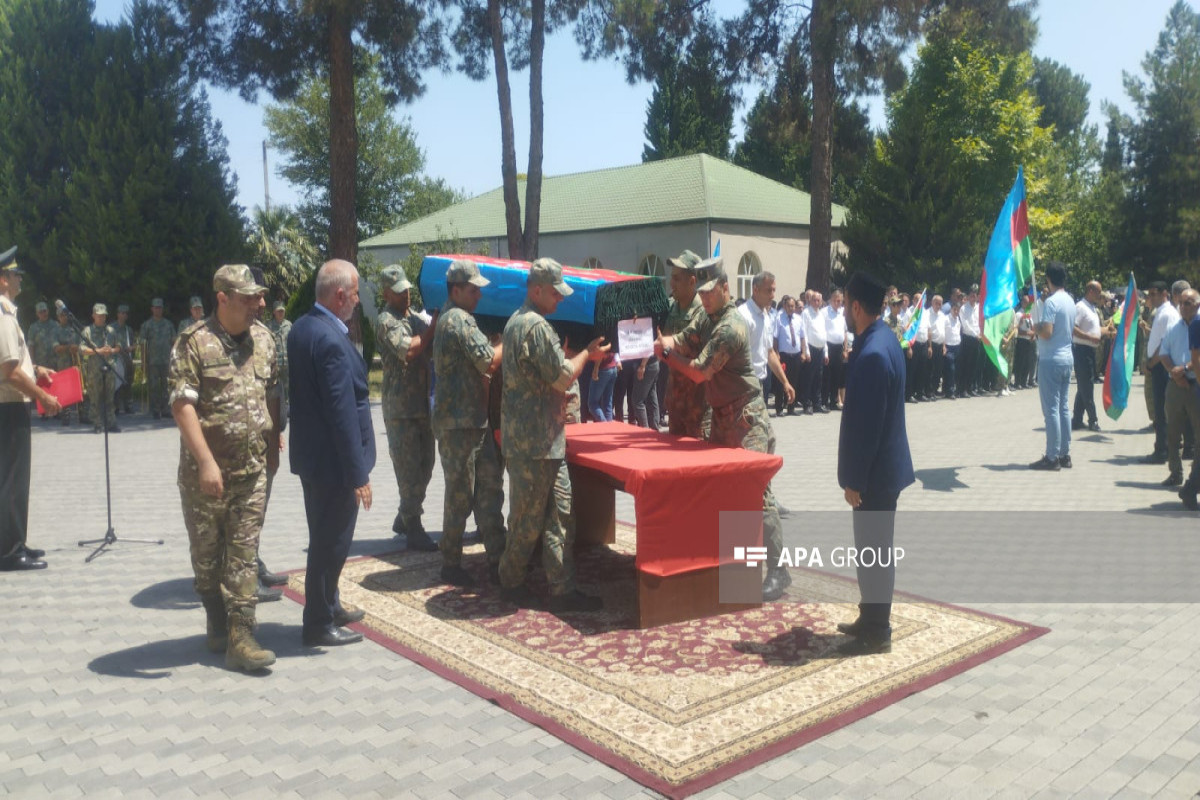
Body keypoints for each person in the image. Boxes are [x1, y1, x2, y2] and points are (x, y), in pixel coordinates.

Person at [656, 258, 794, 601]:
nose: (703, 299)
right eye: (700, 293)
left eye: (709, 293)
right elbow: (685, 337)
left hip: (747, 421)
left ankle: (779, 570)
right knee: (721, 490)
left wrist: (668, 357)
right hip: (722, 417)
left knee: (758, 495)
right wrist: (662, 341)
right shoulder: (709, 317)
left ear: (724, 288)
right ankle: (731, 563)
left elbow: (701, 371)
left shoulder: (730, 327)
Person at [169, 264, 280, 672]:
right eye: (250, 297)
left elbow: (272, 393)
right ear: (222, 298)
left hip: (251, 472)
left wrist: (274, 442)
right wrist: (205, 462)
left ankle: (241, 636)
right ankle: (215, 617)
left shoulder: (265, 341)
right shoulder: (194, 343)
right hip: (207, 476)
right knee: (207, 557)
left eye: (260, 296)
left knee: (243, 554)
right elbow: (182, 405)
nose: (260, 303)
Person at [498, 258, 608, 611]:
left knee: (560, 514)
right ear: (537, 290)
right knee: (528, 521)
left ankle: (562, 588)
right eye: (556, 293)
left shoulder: (516, 322)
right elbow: (561, 377)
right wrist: (587, 357)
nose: (560, 300)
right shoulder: (535, 327)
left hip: (542, 441)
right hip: (535, 444)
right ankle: (509, 580)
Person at [289, 259, 375, 648]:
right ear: (340, 295)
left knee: (324, 536)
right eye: (355, 293)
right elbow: (341, 412)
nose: (358, 301)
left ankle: (331, 603)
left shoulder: (304, 327)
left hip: (315, 459)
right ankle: (319, 622)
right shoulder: (329, 339)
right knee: (331, 542)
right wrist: (358, 474)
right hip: (335, 464)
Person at [835, 271, 914, 656]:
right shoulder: (884, 340)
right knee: (873, 549)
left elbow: (866, 429)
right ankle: (870, 616)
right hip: (885, 470)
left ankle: (877, 630)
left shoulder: (871, 354)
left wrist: (854, 481)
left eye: (846, 305)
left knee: (875, 552)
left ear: (855, 307)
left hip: (875, 475)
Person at [433, 259, 506, 586]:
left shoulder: (456, 318)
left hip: (472, 421)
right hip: (460, 426)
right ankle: (451, 562)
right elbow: (488, 360)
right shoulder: (458, 320)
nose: (478, 295)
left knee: (489, 489)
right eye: (473, 289)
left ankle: (497, 557)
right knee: (462, 495)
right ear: (456, 290)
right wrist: (507, 341)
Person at [0, 246, 60, 571]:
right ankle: (9, 553)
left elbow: (14, 362)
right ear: (3, 279)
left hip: (9, 404)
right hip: (8, 406)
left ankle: (15, 542)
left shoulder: (8, 313)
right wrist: (43, 396)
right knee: (12, 480)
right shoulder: (2, 314)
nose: (20, 277)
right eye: (15, 273)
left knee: (14, 479)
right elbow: (7, 371)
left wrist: (37, 370)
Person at [376, 264, 437, 550]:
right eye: (400, 291)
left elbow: (431, 343)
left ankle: (405, 514)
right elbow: (410, 350)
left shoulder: (413, 317)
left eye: (408, 289)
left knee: (426, 465)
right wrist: (432, 328)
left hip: (421, 405)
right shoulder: (386, 320)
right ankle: (413, 526)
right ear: (387, 293)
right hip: (400, 409)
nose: (406, 295)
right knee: (409, 470)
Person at [1031, 262, 1075, 471]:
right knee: (1063, 407)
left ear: (1048, 279)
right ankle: (1065, 453)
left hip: (1051, 359)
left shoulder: (1051, 302)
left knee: (1051, 410)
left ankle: (1052, 456)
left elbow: (1047, 331)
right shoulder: (1070, 300)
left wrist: (1035, 327)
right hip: (1067, 356)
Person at [662, 250, 707, 437]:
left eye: (677, 279)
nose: (671, 284)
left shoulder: (704, 312)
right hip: (676, 401)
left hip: (698, 405)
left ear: (692, 281)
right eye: (671, 278)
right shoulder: (671, 307)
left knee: (699, 462)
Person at [738, 272, 793, 413]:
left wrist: (785, 382)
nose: (773, 295)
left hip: (760, 385)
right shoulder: (743, 315)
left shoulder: (766, 316)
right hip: (743, 387)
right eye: (769, 290)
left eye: (774, 290)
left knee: (761, 433)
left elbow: (769, 353)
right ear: (755, 290)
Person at [1164, 290, 1200, 493]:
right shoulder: (1174, 327)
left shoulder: (1198, 324)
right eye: (1181, 303)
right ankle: (1175, 472)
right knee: (1173, 432)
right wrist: (1175, 373)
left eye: (1187, 303)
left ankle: (1194, 481)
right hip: (1176, 385)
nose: (1183, 306)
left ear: (1197, 304)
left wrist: (1185, 369)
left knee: (1197, 435)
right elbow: (1163, 353)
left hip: (1195, 384)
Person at [1144, 281, 1177, 464]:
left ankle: (1162, 450)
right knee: (1159, 408)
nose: (1151, 297)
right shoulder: (1162, 312)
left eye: (1154, 293)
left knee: (1161, 409)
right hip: (1158, 365)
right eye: (1150, 294)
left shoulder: (1168, 313)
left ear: (1165, 293)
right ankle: (1161, 447)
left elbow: (1165, 343)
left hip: (1162, 366)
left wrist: (1151, 363)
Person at [79, 303, 120, 433]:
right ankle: (97, 423)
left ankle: (111, 423)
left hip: (109, 368)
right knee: (95, 398)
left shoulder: (111, 331)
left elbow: (119, 347)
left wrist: (112, 350)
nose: (102, 318)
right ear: (93, 316)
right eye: (99, 315)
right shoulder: (87, 331)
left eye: (104, 315)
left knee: (110, 398)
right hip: (94, 370)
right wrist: (98, 351)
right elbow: (82, 349)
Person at [1071, 281, 1104, 432]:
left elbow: (1094, 329)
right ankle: (1093, 420)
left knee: (1083, 386)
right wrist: (1090, 337)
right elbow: (1073, 328)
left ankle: (1077, 419)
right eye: (1098, 291)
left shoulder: (1092, 308)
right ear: (1090, 290)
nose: (1100, 295)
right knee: (1087, 386)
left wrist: (1106, 332)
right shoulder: (1080, 307)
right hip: (1082, 350)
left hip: (1090, 351)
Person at [139, 298, 175, 419]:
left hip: (166, 360)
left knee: (167, 386)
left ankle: (166, 409)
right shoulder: (146, 325)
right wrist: (143, 362)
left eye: (159, 307)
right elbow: (143, 344)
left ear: (162, 309)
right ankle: (155, 409)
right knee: (153, 386)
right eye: (155, 307)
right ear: (152, 309)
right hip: (152, 361)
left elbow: (174, 342)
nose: (157, 310)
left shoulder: (169, 324)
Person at [774, 296, 805, 416]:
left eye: (793, 306)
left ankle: (791, 408)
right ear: (785, 306)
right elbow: (775, 338)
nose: (792, 308)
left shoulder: (798, 319)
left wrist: (803, 352)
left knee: (794, 381)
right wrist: (776, 353)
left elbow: (802, 337)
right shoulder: (779, 319)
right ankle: (779, 408)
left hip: (796, 354)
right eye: (789, 306)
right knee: (781, 382)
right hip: (783, 355)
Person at [800, 291, 829, 412]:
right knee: (809, 378)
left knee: (819, 377)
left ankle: (817, 403)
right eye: (815, 300)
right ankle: (807, 404)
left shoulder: (821, 314)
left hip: (821, 349)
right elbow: (804, 333)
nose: (817, 303)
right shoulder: (806, 313)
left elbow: (824, 333)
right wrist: (806, 351)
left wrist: (826, 352)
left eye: (819, 300)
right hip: (811, 349)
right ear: (810, 301)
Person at [52, 307, 81, 425]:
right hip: (63, 363)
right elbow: (56, 348)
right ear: (58, 317)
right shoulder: (55, 331)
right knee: (65, 390)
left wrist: (77, 348)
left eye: (65, 315)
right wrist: (69, 347)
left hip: (75, 362)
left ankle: (83, 414)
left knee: (79, 387)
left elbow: (81, 345)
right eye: (61, 315)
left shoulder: (74, 329)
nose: (64, 317)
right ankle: (65, 416)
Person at [823, 289, 848, 410]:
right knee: (827, 375)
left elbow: (845, 332)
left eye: (841, 301)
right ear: (832, 300)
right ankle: (824, 401)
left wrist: (845, 349)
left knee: (837, 376)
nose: (839, 303)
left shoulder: (841, 313)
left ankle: (834, 401)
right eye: (837, 301)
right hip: (828, 346)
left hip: (839, 347)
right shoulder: (825, 312)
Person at [111, 304, 135, 415]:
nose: (124, 315)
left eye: (126, 313)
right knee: (116, 383)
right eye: (122, 313)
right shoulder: (111, 328)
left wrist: (131, 348)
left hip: (127, 358)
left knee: (127, 382)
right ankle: (115, 406)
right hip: (116, 358)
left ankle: (128, 405)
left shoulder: (128, 329)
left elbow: (134, 344)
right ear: (118, 314)